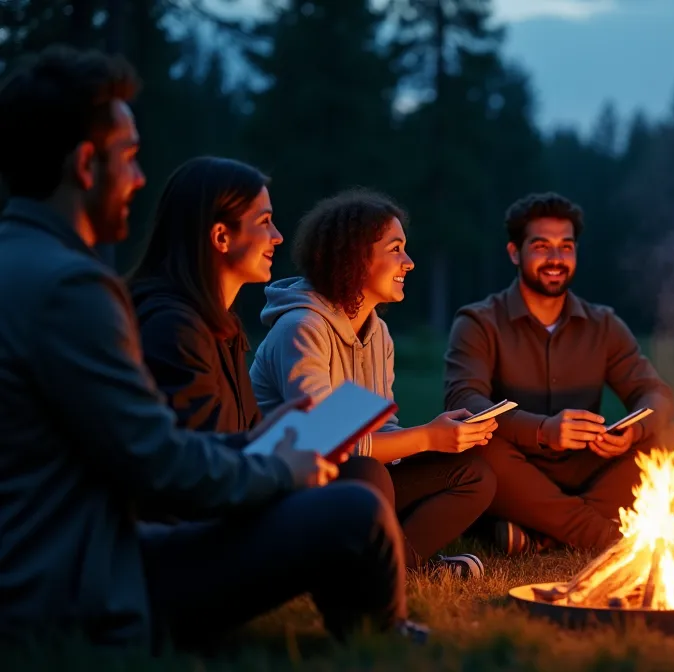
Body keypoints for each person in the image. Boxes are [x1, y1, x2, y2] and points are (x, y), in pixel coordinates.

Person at [0, 45, 411, 649]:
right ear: (87, 164)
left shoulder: (22, 264)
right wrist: (281, 467)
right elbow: (159, 465)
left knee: (359, 482)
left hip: (64, 558)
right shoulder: (74, 289)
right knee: (356, 509)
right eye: (131, 158)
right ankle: (388, 642)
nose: (140, 179)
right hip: (74, 586)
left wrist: (258, 441)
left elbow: (124, 447)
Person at [249, 188, 496, 575]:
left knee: (474, 473)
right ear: (354, 258)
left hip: (354, 475)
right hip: (291, 487)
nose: (409, 262)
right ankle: (385, 568)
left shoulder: (376, 332)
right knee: (369, 472)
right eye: (395, 248)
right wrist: (427, 438)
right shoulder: (301, 328)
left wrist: (442, 438)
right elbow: (325, 445)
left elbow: (381, 431)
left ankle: (395, 564)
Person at [444, 191, 674, 554]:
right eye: (541, 246)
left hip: (587, 468)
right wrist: (542, 430)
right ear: (514, 253)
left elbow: (654, 394)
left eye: (566, 247)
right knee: (477, 451)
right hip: (516, 468)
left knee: (668, 436)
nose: (556, 259)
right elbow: (463, 400)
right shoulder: (478, 321)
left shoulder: (603, 324)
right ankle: (601, 536)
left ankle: (541, 534)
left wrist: (633, 429)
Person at [129, 156, 281, 437]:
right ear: (221, 236)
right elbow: (203, 457)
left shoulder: (224, 328)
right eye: (265, 221)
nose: (277, 236)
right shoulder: (173, 330)